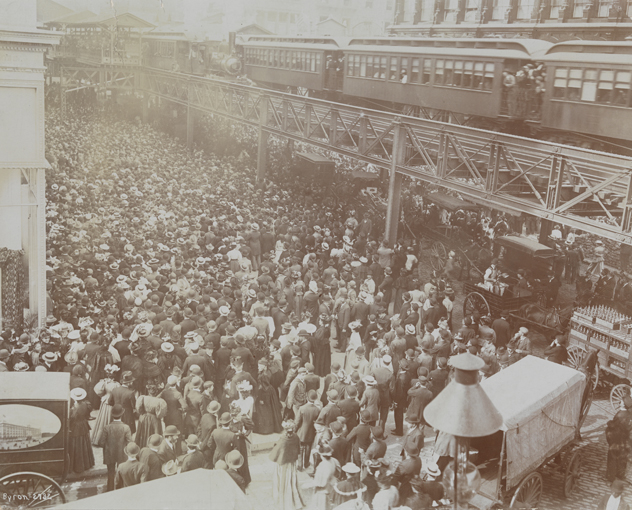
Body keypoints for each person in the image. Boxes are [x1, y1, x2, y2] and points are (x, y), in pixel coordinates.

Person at [269, 420, 305, 510]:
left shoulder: (282, 439)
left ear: (285, 430)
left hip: (282, 463)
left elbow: (276, 451)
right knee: (291, 479)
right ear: (292, 429)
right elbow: (297, 448)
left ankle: (283, 497)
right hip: (291, 462)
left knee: (283, 479)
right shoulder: (296, 437)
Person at [100, 404, 133, 491]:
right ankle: (120, 490)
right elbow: (130, 442)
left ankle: (110, 490)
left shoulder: (106, 427)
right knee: (121, 472)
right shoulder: (126, 427)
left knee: (110, 473)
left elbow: (101, 443)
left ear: (112, 414)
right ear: (122, 414)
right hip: (122, 454)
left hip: (109, 454)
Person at [91, 363, 120, 447]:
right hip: (111, 402)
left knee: (103, 419)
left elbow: (97, 390)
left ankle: (99, 439)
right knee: (110, 419)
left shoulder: (104, 382)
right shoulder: (116, 384)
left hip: (104, 401)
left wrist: (103, 395)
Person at [68, 388, 95, 474]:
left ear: (74, 398)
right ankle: (87, 464)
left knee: (76, 445)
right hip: (83, 425)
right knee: (84, 443)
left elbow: (71, 419)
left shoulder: (73, 409)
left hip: (75, 427)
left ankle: (77, 466)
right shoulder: (86, 405)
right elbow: (87, 415)